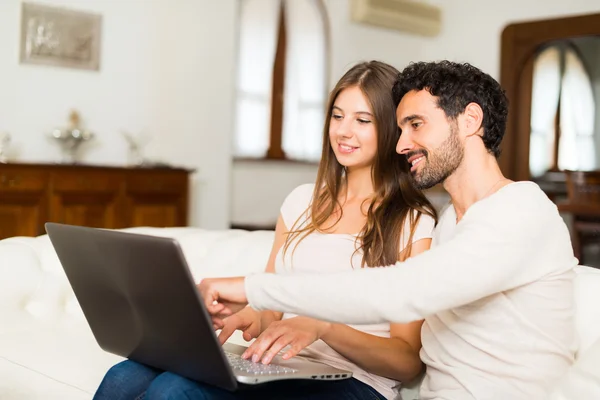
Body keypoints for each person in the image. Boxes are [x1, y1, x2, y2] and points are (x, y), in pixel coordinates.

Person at [199, 61, 579, 400]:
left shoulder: (522, 210)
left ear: (469, 121)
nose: (400, 145)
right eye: (398, 129)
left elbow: (402, 289)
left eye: (415, 125)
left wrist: (254, 289)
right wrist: (261, 312)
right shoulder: (451, 222)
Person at [93, 60, 438, 400]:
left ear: (393, 129)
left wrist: (323, 327)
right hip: (284, 365)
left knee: (175, 391)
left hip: (355, 383)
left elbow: (407, 361)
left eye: (362, 120)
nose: (343, 131)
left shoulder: (412, 222)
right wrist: (240, 318)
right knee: (124, 375)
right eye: (337, 116)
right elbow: (272, 309)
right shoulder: (301, 202)